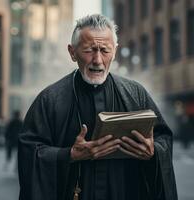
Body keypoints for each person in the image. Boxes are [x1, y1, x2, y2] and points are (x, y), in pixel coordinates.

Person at [18, 14, 178, 200]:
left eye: (105, 50)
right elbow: (29, 152)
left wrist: (153, 151)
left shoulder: (136, 93)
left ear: (115, 51)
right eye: (89, 50)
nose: (98, 60)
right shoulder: (49, 100)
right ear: (72, 52)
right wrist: (69, 154)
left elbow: (162, 139)